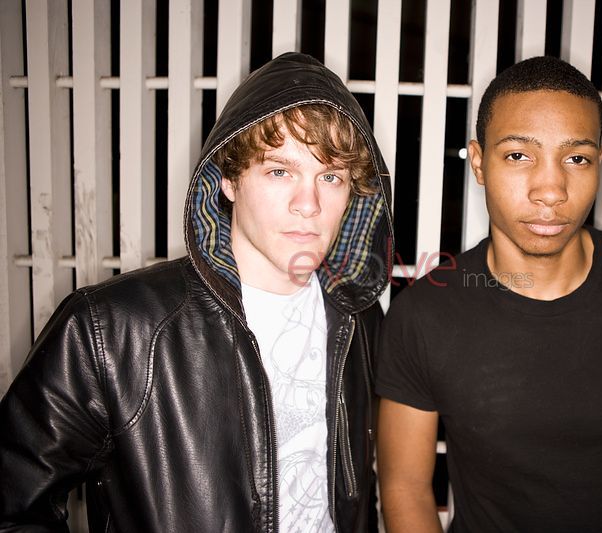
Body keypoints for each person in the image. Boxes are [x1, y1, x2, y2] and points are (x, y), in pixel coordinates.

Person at [0, 52, 393, 532]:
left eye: (329, 177)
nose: (308, 204)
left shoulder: (358, 317)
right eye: (280, 171)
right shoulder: (111, 330)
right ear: (228, 180)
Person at [375, 56, 602, 533]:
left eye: (576, 158)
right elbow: (405, 488)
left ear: (599, 163)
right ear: (479, 162)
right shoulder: (424, 315)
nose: (551, 190)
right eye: (519, 155)